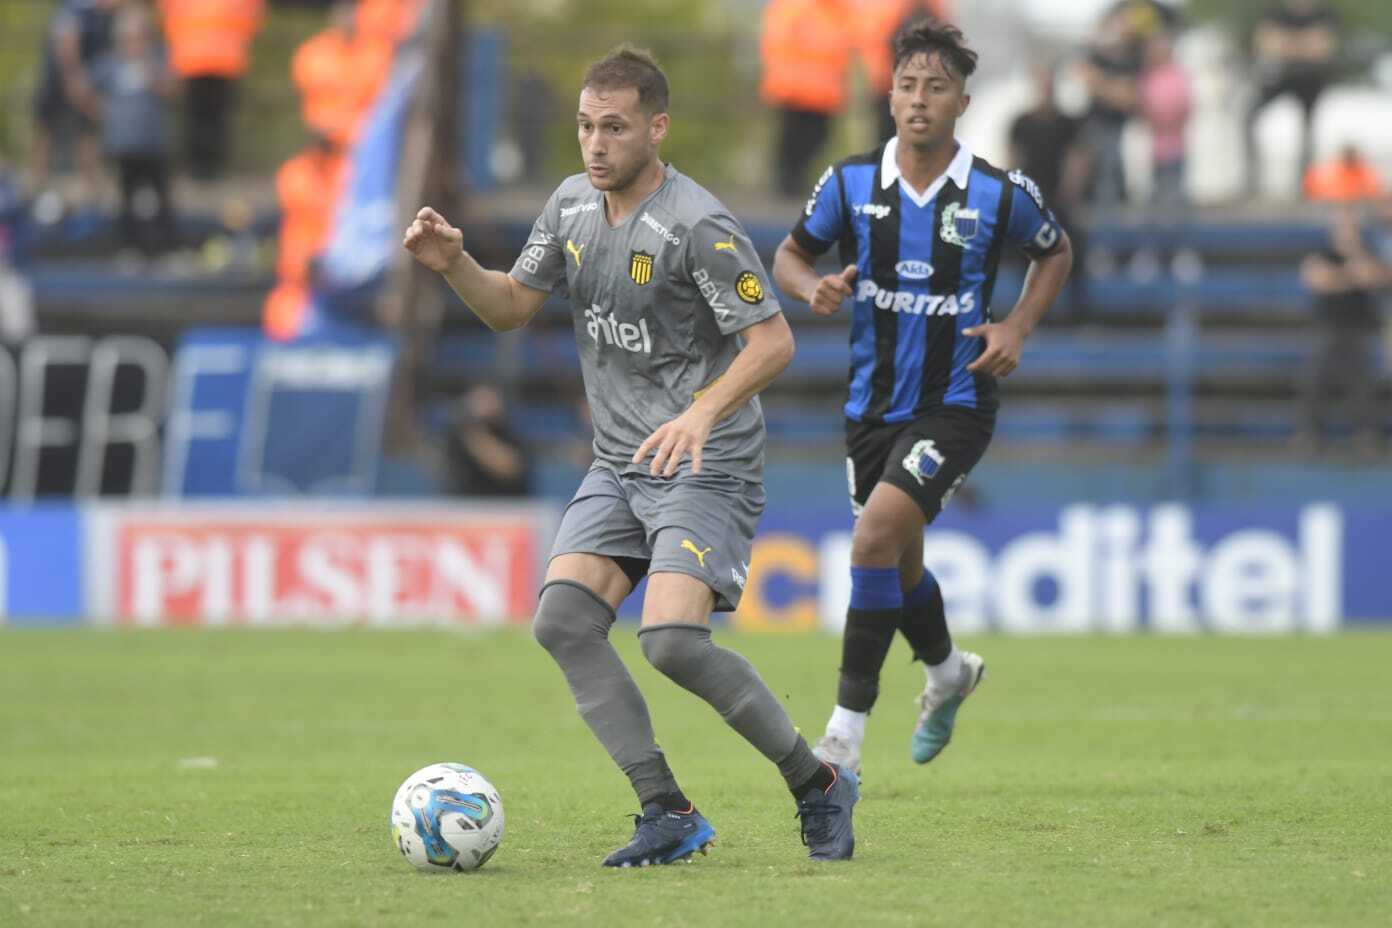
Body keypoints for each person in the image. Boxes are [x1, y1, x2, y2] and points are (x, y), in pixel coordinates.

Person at [403, 46, 858, 865]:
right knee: (564, 620)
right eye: (584, 126)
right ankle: (666, 810)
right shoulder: (571, 207)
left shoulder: (699, 226)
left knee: (672, 643)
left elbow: (773, 340)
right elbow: (509, 306)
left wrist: (702, 412)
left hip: (704, 462)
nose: (594, 144)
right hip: (619, 462)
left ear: (656, 127)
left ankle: (816, 784)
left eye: (613, 127)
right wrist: (456, 266)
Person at [771, 19, 1072, 775]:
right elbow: (790, 256)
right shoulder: (848, 183)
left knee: (872, 540)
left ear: (962, 101)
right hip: (870, 411)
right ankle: (946, 672)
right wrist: (816, 288)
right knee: (896, 570)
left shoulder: (998, 194)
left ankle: (842, 737)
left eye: (935, 88)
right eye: (906, 85)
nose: (917, 100)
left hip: (957, 404)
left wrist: (1018, 327)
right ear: (890, 92)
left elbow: (1056, 249)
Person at [86, 4, 177, 258]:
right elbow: (85, 85)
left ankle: (166, 250)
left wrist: (150, 67)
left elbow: (172, 90)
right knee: (127, 200)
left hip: (153, 144)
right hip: (123, 145)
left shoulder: (158, 58)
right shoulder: (110, 63)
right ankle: (130, 248)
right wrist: (100, 111)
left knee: (161, 199)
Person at [1297, 206, 1388, 452]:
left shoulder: (1368, 253)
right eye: (1343, 227)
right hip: (1327, 329)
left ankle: (1366, 434)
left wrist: (1351, 265)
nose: (1347, 232)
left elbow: (1375, 276)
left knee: (1362, 384)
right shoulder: (1322, 254)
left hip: (1360, 329)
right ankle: (1310, 434)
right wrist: (1350, 277)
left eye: (1351, 227)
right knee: (1316, 381)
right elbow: (1318, 279)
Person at [158, 0, 264, 182]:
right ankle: (201, 169)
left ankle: (208, 169)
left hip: (214, 59)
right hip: (200, 60)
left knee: (211, 119)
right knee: (202, 119)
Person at [28, 0, 121, 207]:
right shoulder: (76, 9)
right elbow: (66, 45)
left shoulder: (102, 15)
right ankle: (35, 189)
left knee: (86, 134)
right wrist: (75, 82)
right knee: (49, 132)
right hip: (60, 81)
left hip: (82, 79)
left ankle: (92, 192)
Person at [760, 0, 854, 197]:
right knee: (792, 139)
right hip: (794, 86)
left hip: (825, 91)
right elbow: (777, 42)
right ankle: (786, 186)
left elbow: (850, 41)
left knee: (818, 137)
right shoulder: (793, 7)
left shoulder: (840, 9)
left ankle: (793, 182)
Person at [1246, 0, 1339, 196]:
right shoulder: (1275, 12)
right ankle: (1252, 184)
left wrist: (1286, 43)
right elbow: (1266, 43)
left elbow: (1322, 48)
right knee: (1249, 118)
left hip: (1310, 82)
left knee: (1308, 132)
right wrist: (1304, 43)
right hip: (1280, 79)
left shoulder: (1324, 13)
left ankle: (1306, 186)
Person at [442, 382, 531, 496]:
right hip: (466, 504)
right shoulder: (457, 435)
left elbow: (509, 469)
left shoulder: (510, 433)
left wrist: (475, 436)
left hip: (506, 504)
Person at [1138, 31, 1191, 208]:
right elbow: (1142, 106)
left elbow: (1185, 107)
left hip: (1176, 147)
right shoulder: (1148, 77)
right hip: (1154, 148)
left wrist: (1169, 121)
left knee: (1175, 194)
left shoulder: (1178, 76)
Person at [1304, 144, 1383, 203]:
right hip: (1329, 210)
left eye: (1352, 156)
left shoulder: (1367, 174)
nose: (1350, 159)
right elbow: (1315, 193)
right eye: (1348, 156)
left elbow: (1375, 193)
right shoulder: (1328, 173)